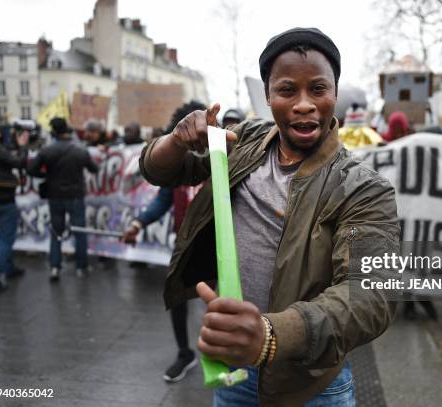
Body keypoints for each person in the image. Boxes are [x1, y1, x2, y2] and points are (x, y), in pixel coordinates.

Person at [140, 27, 399, 406]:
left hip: (312, 386)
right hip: (234, 375)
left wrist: (271, 335)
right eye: (288, 90)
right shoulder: (240, 141)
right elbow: (158, 170)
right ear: (268, 96)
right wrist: (177, 139)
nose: (304, 104)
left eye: (318, 89)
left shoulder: (363, 188)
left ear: (335, 94)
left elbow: (372, 293)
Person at [122, 100, 208, 383]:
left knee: (225, 300)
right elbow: (160, 201)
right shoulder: (175, 167)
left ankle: (227, 351)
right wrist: (137, 223)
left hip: (222, 247)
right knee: (177, 299)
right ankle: (185, 353)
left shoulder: (222, 159)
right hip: (186, 246)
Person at [28, 117, 99, 281]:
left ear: (54, 132)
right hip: (75, 196)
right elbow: (94, 169)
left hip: (55, 196)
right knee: (79, 231)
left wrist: (47, 175)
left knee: (56, 232)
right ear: (68, 131)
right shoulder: (80, 150)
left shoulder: (47, 150)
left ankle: (55, 267)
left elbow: (31, 169)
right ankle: (81, 267)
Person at [0, 121, 28, 293]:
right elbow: (18, 162)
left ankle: (9, 267)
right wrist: (22, 146)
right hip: (1, 200)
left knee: (1, 235)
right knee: (6, 239)